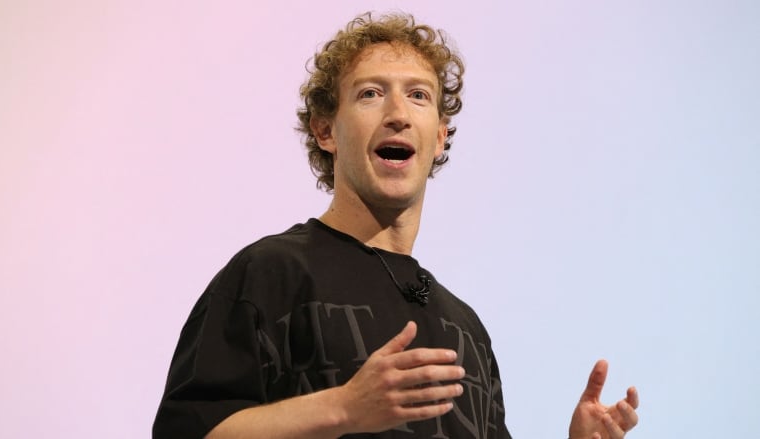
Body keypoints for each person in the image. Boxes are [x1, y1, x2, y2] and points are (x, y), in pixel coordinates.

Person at [152, 12, 639, 439]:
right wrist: (342, 408)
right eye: (370, 94)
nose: (399, 115)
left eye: (419, 96)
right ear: (326, 131)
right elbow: (187, 430)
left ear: (440, 138)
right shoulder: (272, 273)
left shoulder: (465, 327)